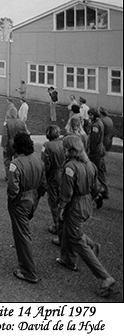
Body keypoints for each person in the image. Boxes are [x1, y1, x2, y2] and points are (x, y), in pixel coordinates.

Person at [56, 135, 116, 298]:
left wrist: (61, 208)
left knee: (77, 239)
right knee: (71, 231)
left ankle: (105, 277)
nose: (63, 150)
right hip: (86, 202)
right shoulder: (90, 165)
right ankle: (68, 259)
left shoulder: (70, 167)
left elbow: (66, 193)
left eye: (65, 148)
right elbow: (96, 188)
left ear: (71, 150)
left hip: (75, 206)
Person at [7, 132, 47, 284]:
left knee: (22, 235)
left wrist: (14, 201)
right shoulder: (39, 161)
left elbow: (12, 189)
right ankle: (26, 267)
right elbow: (43, 186)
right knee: (24, 232)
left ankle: (29, 272)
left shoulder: (15, 164)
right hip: (33, 199)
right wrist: (36, 198)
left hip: (20, 201)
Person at [41, 125, 65, 245]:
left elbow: (45, 164)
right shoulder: (63, 143)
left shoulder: (46, 146)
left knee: (53, 201)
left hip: (54, 175)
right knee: (63, 200)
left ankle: (57, 225)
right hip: (64, 173)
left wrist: (43, 178)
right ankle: (63, 223)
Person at [87, 108, 107, 206]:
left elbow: (93, 140)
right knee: (100, 171)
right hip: (99, 149)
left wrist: (89, 151)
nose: (89, 116)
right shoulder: (99, 122)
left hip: (95, 152)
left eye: (90, 115)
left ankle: (98, 192)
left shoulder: (95, 126)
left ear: (94, 115)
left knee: (94, 171)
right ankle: (104, 190)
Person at [1, 107, 27, 180]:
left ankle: (9, 176)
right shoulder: (21, 122)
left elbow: (5, 135)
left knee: (7, 160)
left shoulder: (6, 122)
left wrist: (4, 145)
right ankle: (18, 175)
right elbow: (25, 133)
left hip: (10, 144)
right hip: (19, 144)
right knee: (18, 160)